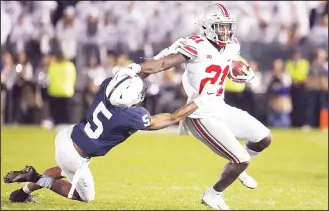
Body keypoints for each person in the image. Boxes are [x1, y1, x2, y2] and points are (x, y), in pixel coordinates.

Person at [117, 3, 272, 210]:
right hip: (199, 113)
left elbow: (229, 63)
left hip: (219, 106)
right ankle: (213, 195)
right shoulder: (195, 45)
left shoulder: (232, 44)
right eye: (220, 26)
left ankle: (238, 168)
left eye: (227, 26)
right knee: (241, 160)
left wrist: (240, 69)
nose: (225, 31)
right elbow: (162, 64)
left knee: (264, 138)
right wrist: (136, 69)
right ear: (208, 26)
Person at [4, 73, 216, 203]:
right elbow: (170, 118)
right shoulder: (131, 115)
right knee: (83, 196)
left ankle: (21, 193)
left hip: (68, 136)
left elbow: (125, 75)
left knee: (63, 171)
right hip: (76, 155)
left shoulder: (107, 86)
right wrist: (199, 101)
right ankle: (34, 177)